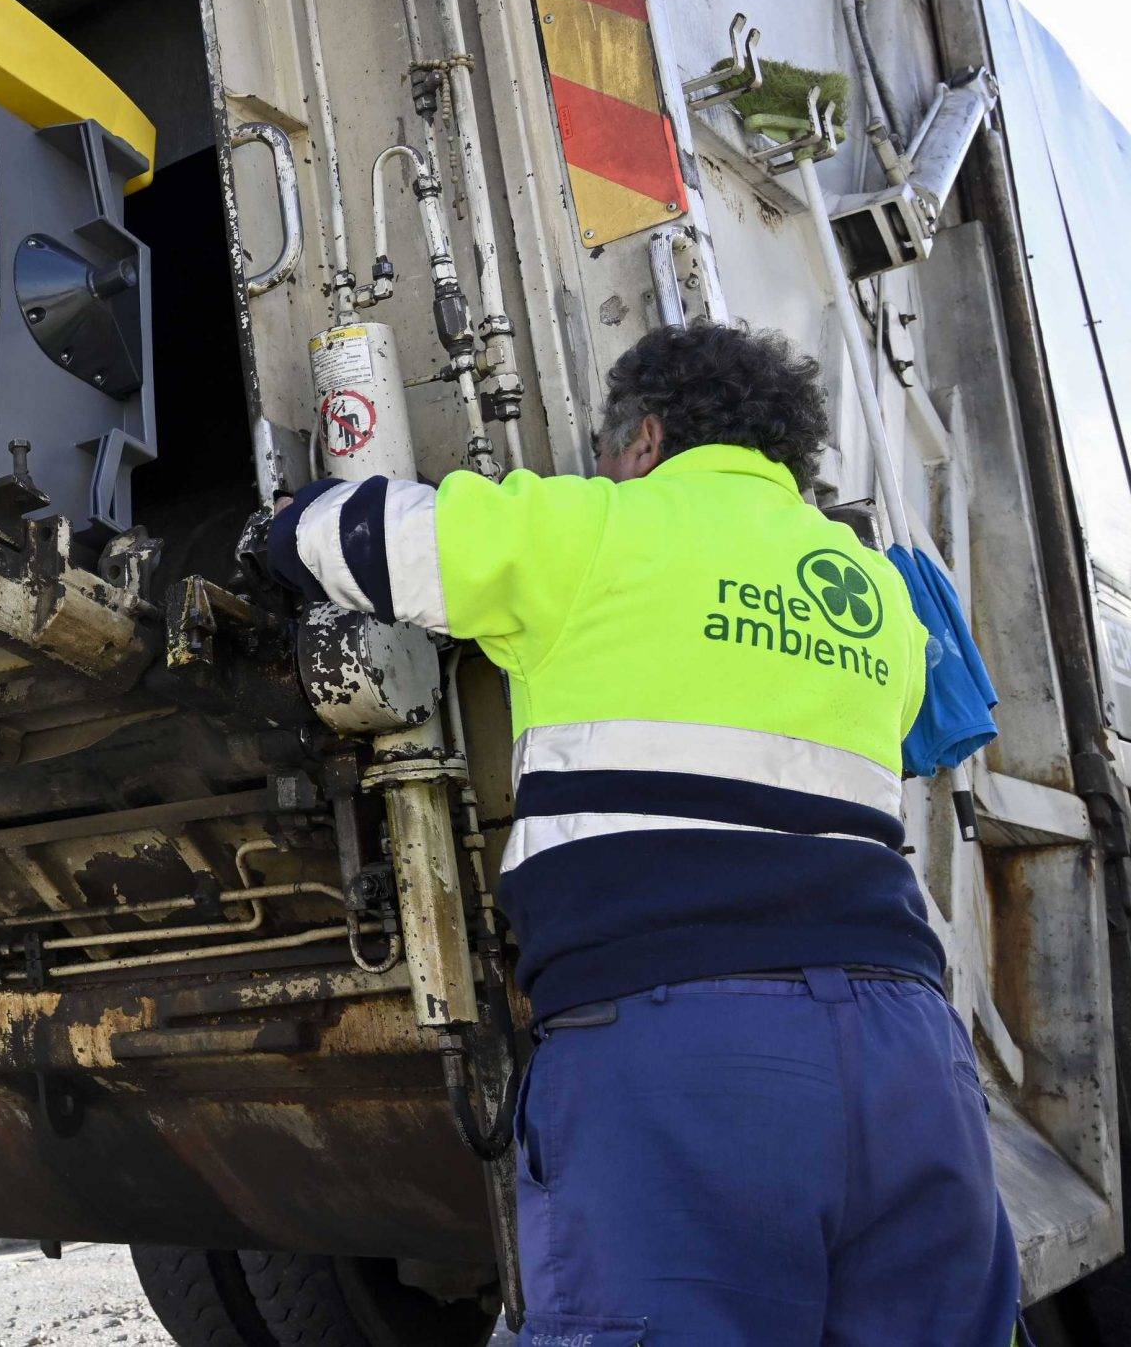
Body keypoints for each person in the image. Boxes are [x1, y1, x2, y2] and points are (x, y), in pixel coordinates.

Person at [245, 322, 1017, 1344]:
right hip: (911, 1055)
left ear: (644, 437)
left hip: (688, 1052)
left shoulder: (600, 529)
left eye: (608, 449)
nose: (604, 466)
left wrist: (268, 537)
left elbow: (355, 534)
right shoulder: (871, 590)